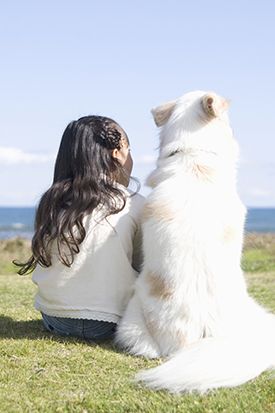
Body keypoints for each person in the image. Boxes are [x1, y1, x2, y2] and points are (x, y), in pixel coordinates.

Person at [16, 115, 144, 341]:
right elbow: (146, 264)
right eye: (129, 150)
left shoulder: (52, 200)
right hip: (110, 323)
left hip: (55, 318)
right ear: (117, 153)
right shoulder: (134, 203)